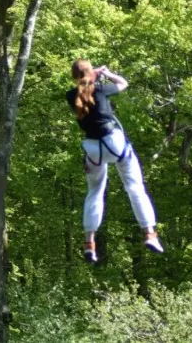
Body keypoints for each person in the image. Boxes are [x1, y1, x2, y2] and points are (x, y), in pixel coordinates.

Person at [65, 60, 163, 263]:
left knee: (95, 192)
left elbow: (83, 89)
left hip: (93, 149)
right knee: (135, 187)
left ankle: (89, 244)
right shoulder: (101, 90)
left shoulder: (70, 95)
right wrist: (106, 73)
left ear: (74, 77)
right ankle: (150, 234)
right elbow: (124, 83)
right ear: (91, 73)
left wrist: (92, 77)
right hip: (114, 144)